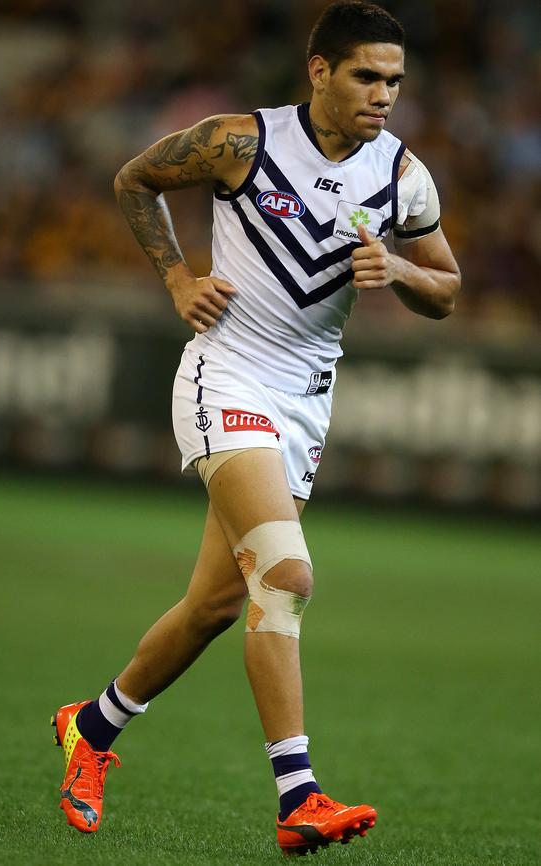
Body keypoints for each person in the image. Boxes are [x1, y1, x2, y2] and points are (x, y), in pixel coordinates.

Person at [51, 0, 461, 855]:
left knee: (213, 605)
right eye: (366, 75)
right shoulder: (242, 141)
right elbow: (135, 179)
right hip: (226, 372)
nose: (384, 94)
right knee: (286, 575)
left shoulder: (401, 176)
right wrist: (174, 281)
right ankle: (298, 796)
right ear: (320, 70)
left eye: (394, 80)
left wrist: (401, 273)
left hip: (306, 397)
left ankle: (91, 727)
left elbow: (448, 288)